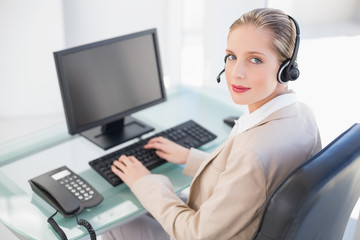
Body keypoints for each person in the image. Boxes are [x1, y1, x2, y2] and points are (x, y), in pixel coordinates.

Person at [102, 8, 322, 240]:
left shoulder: (253, 153)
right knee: (147, 202)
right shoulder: (302, 115)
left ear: (287, 70)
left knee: (114, 221)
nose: (236, 72)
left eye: (255, 59)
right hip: (244, 223)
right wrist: (189, 157)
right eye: (231, 56)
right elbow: (250, 184)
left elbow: (196, 234)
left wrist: (144, 181)